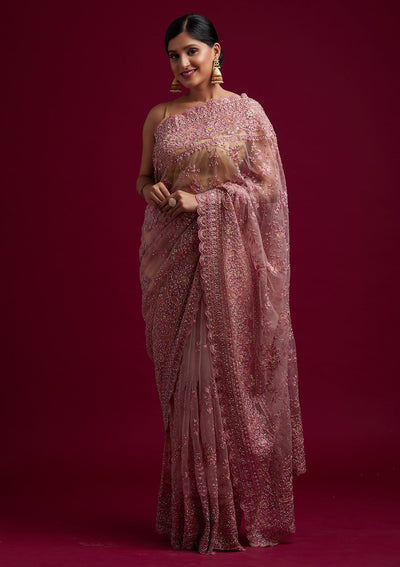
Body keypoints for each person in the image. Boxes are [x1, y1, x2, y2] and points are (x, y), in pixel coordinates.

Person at [136, 13, 306, 555]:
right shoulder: (160, 116)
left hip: (230, 261)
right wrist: (150, 190)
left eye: (192, 50)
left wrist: (204, 202)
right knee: (184, 388)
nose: (182, 62)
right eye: (173, 54)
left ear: (215, 51)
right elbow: (144, 176)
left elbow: (268, 189)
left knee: (216, 378)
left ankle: (226, 515)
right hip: (171, 261)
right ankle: (194, 516)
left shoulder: (248, 114)